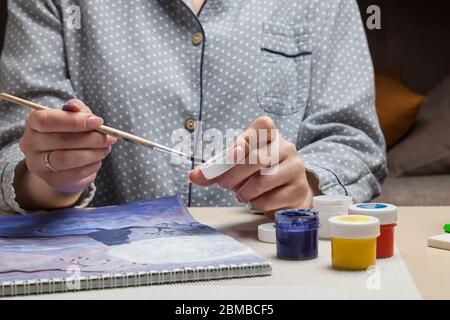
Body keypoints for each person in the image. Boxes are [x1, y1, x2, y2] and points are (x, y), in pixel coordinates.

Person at [0, 0, 387, 215]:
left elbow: (352, 139)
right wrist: (52, 178)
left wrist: (307, 186)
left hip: (276, 268)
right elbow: (15, 144)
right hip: (102, 268)